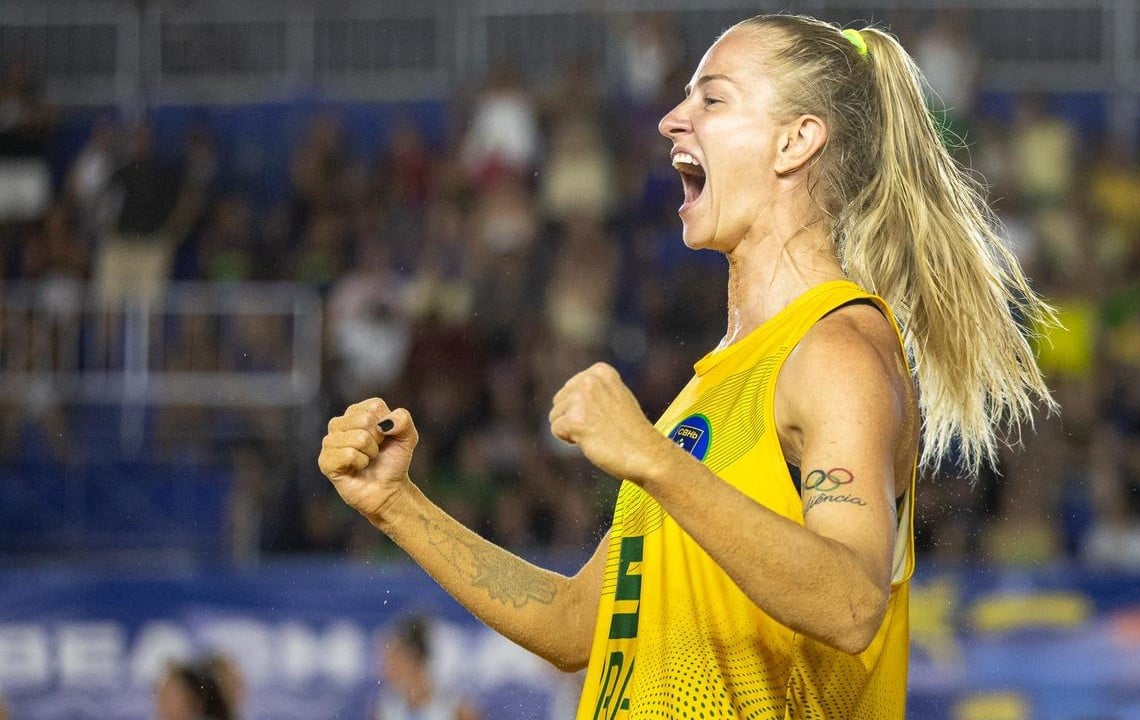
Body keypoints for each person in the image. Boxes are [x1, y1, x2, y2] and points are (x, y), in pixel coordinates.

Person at [319, 13, 1051, 719]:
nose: (672, 120)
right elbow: (574, 625)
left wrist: (654, 461)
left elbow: (852, 603)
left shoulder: (834, 351)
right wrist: (396, 504)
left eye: (712, 99)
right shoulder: (709, 387)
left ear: (795, 141)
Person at [375, 614, 482, 720]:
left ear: (413, 656)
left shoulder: (456, 709)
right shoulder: (386, 710)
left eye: (395, 660)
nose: (386, 669)